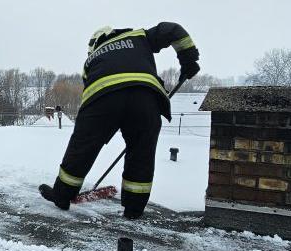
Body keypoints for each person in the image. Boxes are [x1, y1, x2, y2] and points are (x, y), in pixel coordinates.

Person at [39, 23, 200, 219]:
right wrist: (188, 58)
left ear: (95, 44)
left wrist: (99, 127)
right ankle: (134, 209)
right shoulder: (139, 37)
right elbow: (172, 29)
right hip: (145, 99)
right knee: (141, 152)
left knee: (82, 147)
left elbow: (90, 90)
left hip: (103, 99)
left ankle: (62, 195)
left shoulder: (91, 61)